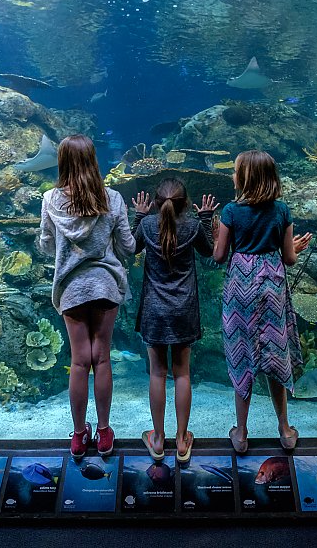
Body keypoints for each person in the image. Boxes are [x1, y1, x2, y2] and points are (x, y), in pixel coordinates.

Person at [38, 134, 136, 459]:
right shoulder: (113, 198)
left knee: (80, 361)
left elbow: (46, 245)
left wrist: (65, 249)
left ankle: (79, 436)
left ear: (63, 161)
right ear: (94, 160)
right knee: (102, 357)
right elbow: (128, 247)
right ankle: (105, 432)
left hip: (71, 288)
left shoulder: (50, 199)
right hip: (105, 285)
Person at [212, 150, 312, 453]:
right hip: (272, 284)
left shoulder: (231, 211)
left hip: (240, 284)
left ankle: (241, 434)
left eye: (235, 171)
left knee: (243, 353)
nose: (232, 175)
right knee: (274, 349)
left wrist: (217, 233)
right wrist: (291, 246)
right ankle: (284, 430)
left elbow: (219, 256)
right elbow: (290, 259)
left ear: (244, 178)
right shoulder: (281, 211)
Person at [130, 178, 218, 463]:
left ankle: (157, 439)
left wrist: (140, 215)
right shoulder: (191, 225)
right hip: (184, 310)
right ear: (185, 203)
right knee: (182, 373)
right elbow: (208, 252)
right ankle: (181, 441)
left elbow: (132, 248)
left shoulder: (146, 225)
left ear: (155, 202)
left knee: (157, 373)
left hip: (154, 311)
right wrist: (205, 217)